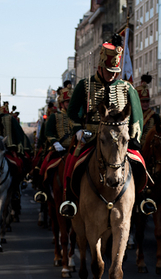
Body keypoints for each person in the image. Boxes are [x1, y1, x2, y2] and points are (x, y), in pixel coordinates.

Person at [59, 33, 148, 217]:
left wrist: (133, 137)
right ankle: (70, 198)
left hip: (119, 140)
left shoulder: (127, 88)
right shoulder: (85, 85)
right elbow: (72, 113)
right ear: (100, 66)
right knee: (72, 160)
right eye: (108, 70)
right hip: (91, 136)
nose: (112, 74)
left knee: (140, 162)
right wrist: (78, 131)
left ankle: (142, 198)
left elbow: (137, 117)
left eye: (115, 71)